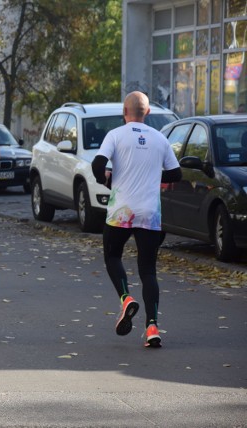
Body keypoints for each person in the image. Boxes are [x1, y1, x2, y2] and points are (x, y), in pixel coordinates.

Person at [91, 91, 181, 348]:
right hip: (150, 213)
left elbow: (98, 165)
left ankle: (125, 299)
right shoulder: (160, 138)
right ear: (148, 112)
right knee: (148, 270)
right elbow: (176, 173)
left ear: (124, 112)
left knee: (112, 256)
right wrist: (157, 177)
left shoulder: (115, 135)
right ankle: (152, 327)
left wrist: (106, 179)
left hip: (122, 210)